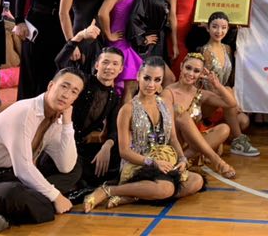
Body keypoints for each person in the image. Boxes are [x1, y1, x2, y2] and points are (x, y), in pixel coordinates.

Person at [0, 68, 85, 232]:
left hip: (13, 177)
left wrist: (67, 124)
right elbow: (23, 169)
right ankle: (27, 208)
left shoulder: (55, 118)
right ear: (51, 86)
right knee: (15, 193)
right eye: (64, 86)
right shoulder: (24, 112)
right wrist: (56, 196)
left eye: (74, 92)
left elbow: (66, 166)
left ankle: (21, 208)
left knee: (75, 168)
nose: (66, 95)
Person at [83, 57, 203, 212]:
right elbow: (124, 152)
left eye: (157, 80)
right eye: (147, 78)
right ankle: (108, 190)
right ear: (138, 76)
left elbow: (172, 138)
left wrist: (182, 158)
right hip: (138, 164)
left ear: (161, 82)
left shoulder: (166, 104)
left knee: (196, 181)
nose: (151, 84)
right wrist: (152, 162)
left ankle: (133, 196)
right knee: (166, 189)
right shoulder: (127, 110)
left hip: (164, 162)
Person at [162, 52, 237, 178]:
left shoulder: (199, 94)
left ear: (201, 74)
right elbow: (167, 129)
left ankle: (185, 159)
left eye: (196, 71)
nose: (191, 74)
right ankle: (216, 160)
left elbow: (231, 103)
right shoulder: (168, 92)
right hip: (174, 143)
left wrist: (216, 84)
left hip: (193, 147)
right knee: (182, 115)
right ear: (181, 66)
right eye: (188, 68)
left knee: (224, 129)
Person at [200, 11, 259, 156]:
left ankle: (221, 138)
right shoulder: (204, 51)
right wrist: (229, 95)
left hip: (223, 99)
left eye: (223, 27)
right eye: (215, 27)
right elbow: (205, 85)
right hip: (207, 101)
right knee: (226, 92)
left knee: (244, 120)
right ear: (207, 28)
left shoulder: (227, 48)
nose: (219, 31)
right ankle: (238, 141)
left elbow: (230, 80)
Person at [67, 47, 124, 190]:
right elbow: (59, 63)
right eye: (105, 62)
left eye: (115, 64)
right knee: (78, 173)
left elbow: (114, 128)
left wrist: (107, 146)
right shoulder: (82, 81)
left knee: (116, 158)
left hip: (81, 146)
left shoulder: (114, 97)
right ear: (97, 65)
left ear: (121, 69)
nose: (109, 67)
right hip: (63, 139)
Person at [96, 0, 143, 102]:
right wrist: (109, 34)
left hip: (123, 41)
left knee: (127, 86)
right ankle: (121, 116)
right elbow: (102, 13)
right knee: (127, 86)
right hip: (119, 42)